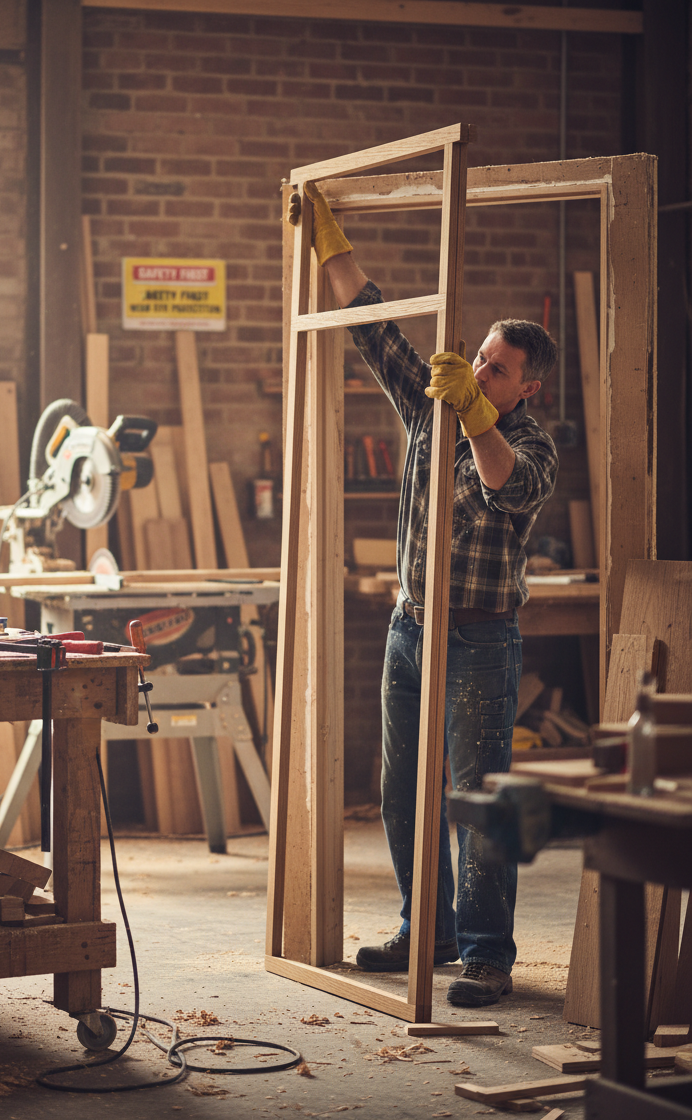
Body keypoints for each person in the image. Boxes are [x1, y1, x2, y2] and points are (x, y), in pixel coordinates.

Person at [287, 182, 559, 1007]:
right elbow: (370, 320)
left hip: (478, 639)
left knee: (475, 799)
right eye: (480, 357)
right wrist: (328, 240)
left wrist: (473, 414)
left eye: (498, 369)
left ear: (527, 388)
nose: (479, 370)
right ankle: (428, 929)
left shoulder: (531, 444)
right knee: (401, 793)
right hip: (410, 629)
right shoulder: (430, 406)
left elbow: (506, 484)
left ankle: (486, 954)